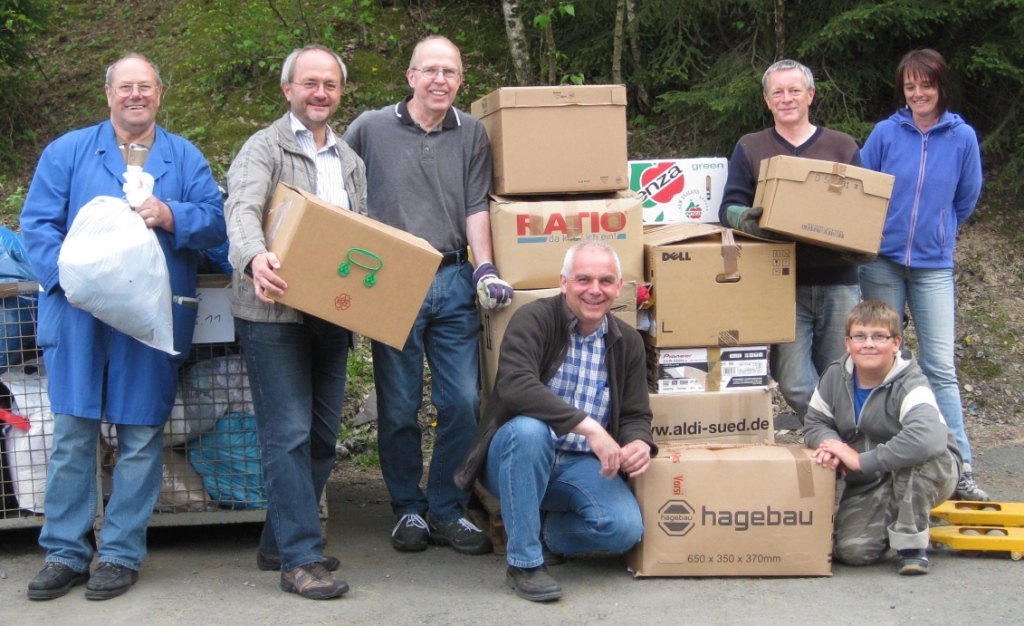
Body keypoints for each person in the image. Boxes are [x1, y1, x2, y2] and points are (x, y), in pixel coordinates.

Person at [19, 53, 225, 600]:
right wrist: (69, 278)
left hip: (152, 316)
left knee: (139, 436)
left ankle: (120, 553)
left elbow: (215, 219)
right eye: (126, 87)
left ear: (161, 94)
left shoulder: (184, 157)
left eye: (147, 87)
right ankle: (65, 551)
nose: (137, 95)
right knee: (72, 435)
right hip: (80, 314)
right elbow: (36, 222)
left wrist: (170, 215)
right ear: (108, 93)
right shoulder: (67, 152)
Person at [343, 35, 512, 555]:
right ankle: (406, 509)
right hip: (390, 279)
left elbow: (475, 207)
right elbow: (340, 191)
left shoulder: (472, 134)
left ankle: (445, 507)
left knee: (461, 400)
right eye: (430, 70)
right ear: (410, 76)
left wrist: (484, 268)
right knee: (397, 405)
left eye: (451, 72)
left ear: (461, 81)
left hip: (453, 279)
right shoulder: (369, 128)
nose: (441, 80)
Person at [225, 44, 367, 600]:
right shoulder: (263, 147)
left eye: (329, 85)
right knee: (286, 435)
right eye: (310, 83)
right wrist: (254, 257)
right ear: (288, 90)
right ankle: (301, 559)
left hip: (331, 314)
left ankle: (276, 542)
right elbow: (241, 207)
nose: (320, 94)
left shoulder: (349, 159)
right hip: (272, 311)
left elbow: (361, 237)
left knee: (323, 438)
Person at [455, 242, 657, 602]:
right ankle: (525, 563)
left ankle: (542, 531)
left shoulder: (627, 341)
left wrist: (639, 441)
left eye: (606, 281)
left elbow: (636, 414)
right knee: (531, 430)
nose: (595, 290)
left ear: (619, 286)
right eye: (583, 279)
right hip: (516, 454)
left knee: (623, 529)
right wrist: (589, 427)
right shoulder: (534, 319)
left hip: (580, 463)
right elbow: (515, 385)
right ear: (564, 282)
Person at [859, 49, 987, 501]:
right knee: (884, 363)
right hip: (881, 262)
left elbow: (966, 197)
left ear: (941, 86)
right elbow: (862, 187)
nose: (918, 94)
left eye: (926, 85)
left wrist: (941, 230)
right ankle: (886, 462)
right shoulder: (885, 133)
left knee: (939, 366)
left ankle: (960, 466)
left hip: (934, 266)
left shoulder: (962, 137)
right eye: (910, 86)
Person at [720, 59, 868, 424]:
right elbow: (728, 207)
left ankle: (836, 457)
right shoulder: (751, 146)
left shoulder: (841, 145)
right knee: (795, 382)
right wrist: (749, 220)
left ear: (810, 96)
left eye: (794, 91)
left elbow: (864, 209)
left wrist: (861, 242)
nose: (786, 99)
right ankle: (838, 437)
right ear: (767, 101)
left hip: (839, 281)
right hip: (782, 284)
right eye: (778, 93)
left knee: (843, 377)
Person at [804, 300, 961, 575]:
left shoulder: (910, 382)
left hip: (928, 470)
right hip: (874, 480)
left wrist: (861, 461)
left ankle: (912, 546)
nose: (868, 344)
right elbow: (816, 422)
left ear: (896, 343)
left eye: (879, 336)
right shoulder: (834, 376)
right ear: (847, 342)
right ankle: (899, 515)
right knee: (851, 552)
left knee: (920, 460)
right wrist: (833, 444)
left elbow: (928, 439)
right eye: (860, 336)